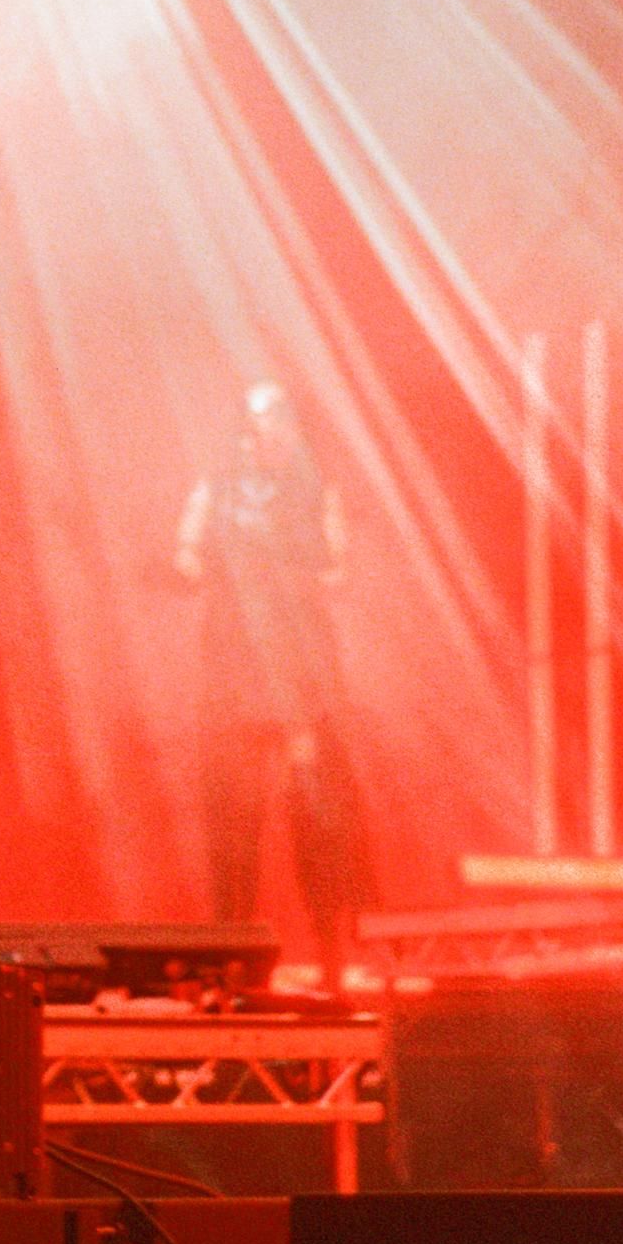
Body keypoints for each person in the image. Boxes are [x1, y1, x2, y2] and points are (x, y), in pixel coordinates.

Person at [176, 381, 371, 987]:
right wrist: (214, 576)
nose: (274, 433)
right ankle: (232, 955)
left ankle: (333, 953)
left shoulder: (317, 493)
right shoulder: (215, 490)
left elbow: (339, 567)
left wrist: (287, 579)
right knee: (234, 817)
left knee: (315, 814)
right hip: (234, 674)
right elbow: (183, 554)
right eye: (263, 422)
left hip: (299, 676)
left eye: (284, 421)